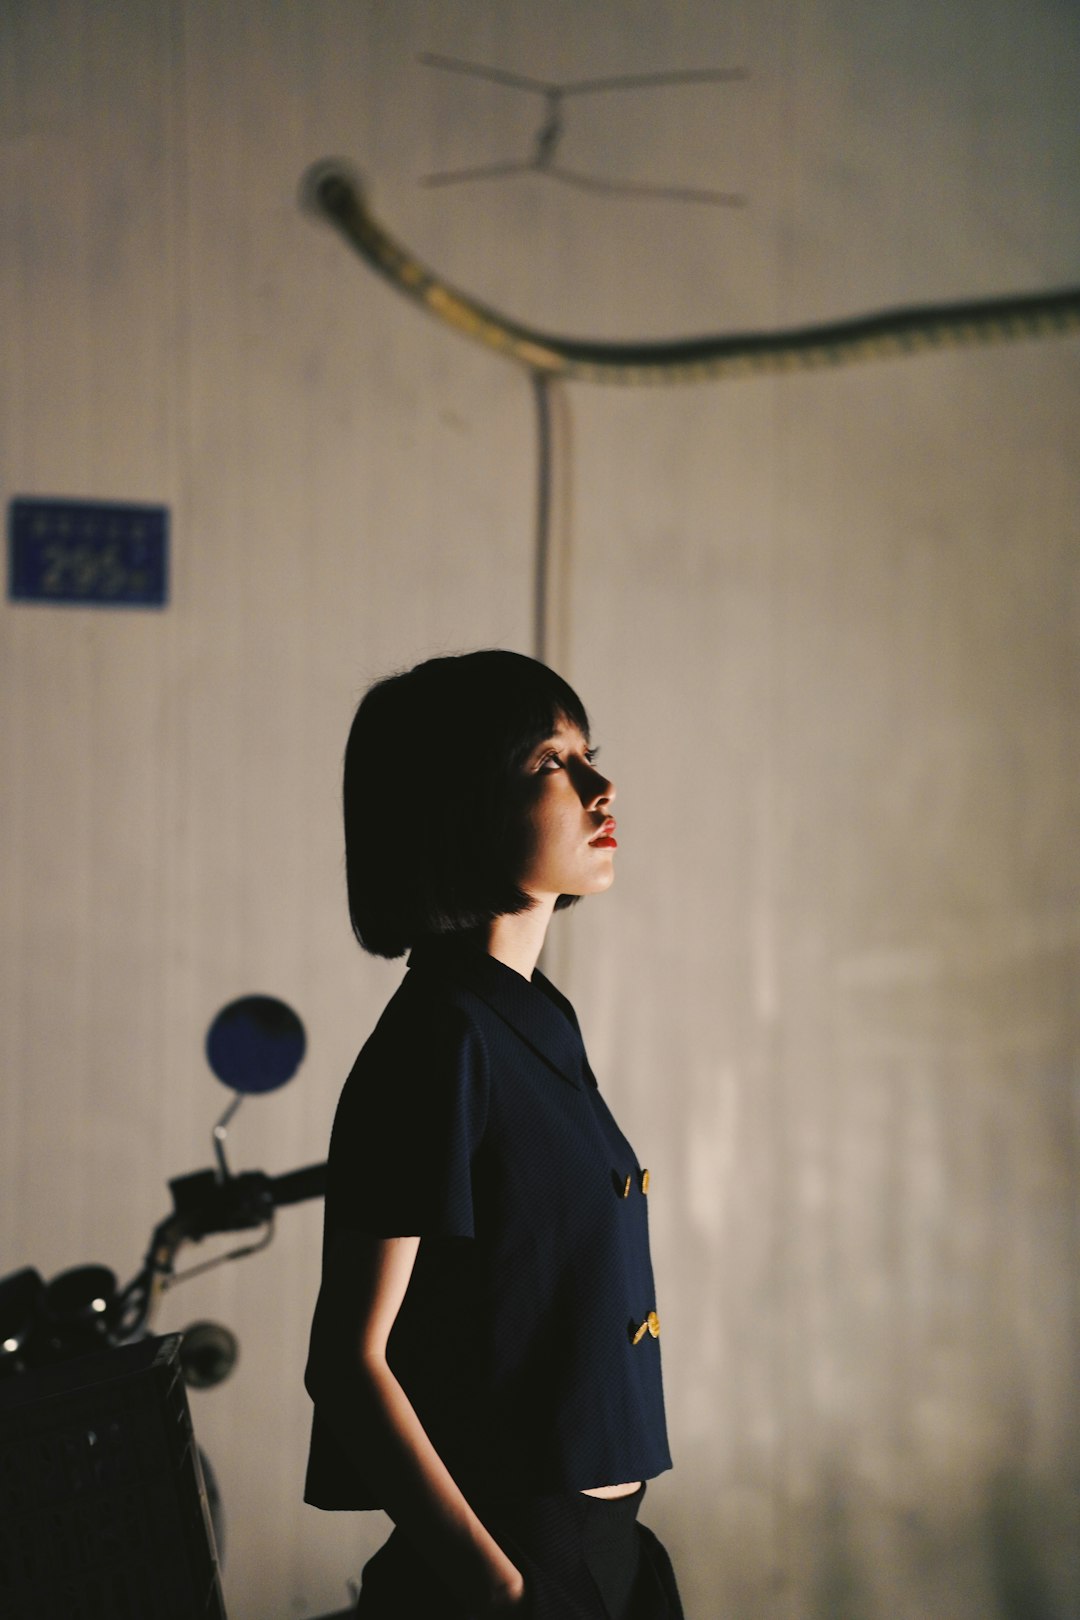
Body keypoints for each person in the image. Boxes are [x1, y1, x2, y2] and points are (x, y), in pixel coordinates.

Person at [304, 650, 682, 1618]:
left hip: (604, 1551)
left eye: (589, 753)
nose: (600, 786)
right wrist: (502, 1587)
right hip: (519, 1563)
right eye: (552, 764)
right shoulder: (444, 1036)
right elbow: (349, 1363)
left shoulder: (529, 1017)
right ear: (462, 804)